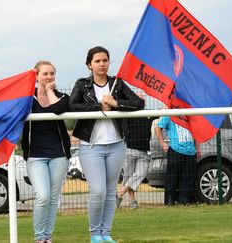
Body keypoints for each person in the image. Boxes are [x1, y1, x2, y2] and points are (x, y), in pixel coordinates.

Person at [69, 46, 144, 243]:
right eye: (97, 61)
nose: (102, 64)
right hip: (91, 147)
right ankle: (95, 234)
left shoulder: (117, 84)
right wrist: (99, 106)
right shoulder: (82, 84)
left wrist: (116, 103)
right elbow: (72, 105)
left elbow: (138, 103)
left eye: (105, 60)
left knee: (111, 191)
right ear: (89, 64)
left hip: (116, 145)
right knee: (98, 190)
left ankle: (106, 234)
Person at [21, 61, 71, 243]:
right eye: (45, 74)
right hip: (36, 156)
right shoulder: (26, 99)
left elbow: (57, 109)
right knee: (42, 196)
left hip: (59, 155)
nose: (49, 77)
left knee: (52, 198)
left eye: (52, 74)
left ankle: (47, 238)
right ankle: (39, 237)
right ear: (36, 76)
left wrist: (50, 91)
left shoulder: (62, 97)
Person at [116, 93, 155, 209]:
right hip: (129, 150)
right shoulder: (128, 114)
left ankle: (119, 194)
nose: (141, 102)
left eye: (143, 100)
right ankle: (133, 202)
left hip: (143, 152)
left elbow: (160, 114)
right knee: (128, 176)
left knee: (141, 174)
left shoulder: (148, 114)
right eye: (139, 99)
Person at [154, 116, 200, 206]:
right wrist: (163, 143)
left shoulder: (190, 114)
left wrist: (197, 148)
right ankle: (169, 201)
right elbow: (157, 128)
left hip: (191, 152)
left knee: (187, 179)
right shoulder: (170, 113)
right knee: (172, 178)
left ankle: (184, 201)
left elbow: (196, 132)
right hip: (175, 150)